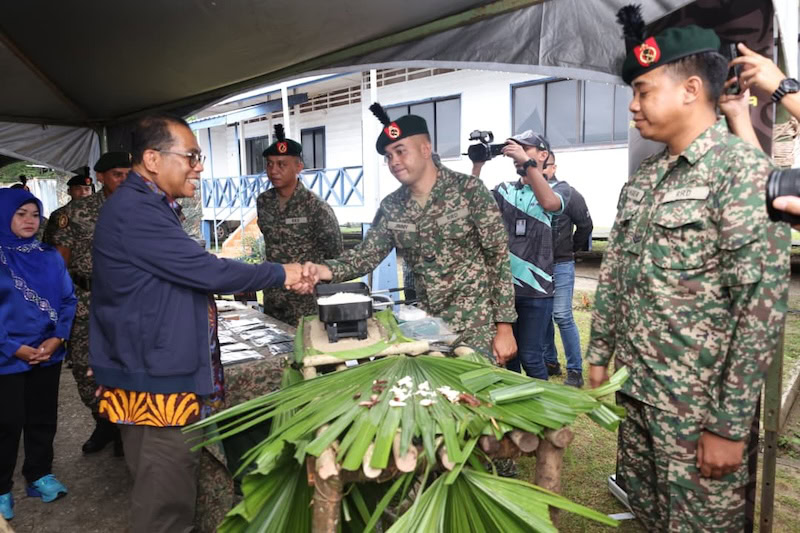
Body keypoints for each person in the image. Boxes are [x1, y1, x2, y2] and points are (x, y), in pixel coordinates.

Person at [587, 7, 789, 531]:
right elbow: (616, 275)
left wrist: (728, 426)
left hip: (698, 411)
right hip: (639, 394)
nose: (633, 106)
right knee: (651, 517)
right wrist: (600, 354)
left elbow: (759, 311)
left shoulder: (741, 172)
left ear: (691, 89)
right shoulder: (645, 178)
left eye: (643, 91)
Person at [89, 114, 305, 533]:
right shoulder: (136, 210)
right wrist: (284, 272)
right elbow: (206, 271)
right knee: (164, 506)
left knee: (173, 489)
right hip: (154, 386)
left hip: (157, 371)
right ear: (152, 159)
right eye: (190, 156)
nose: (199, 167)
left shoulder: (149, 204)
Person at [301, 103, 518, 361]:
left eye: (400, 151)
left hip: (476, 327)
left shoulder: (470, 191)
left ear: (426, 149)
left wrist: (505, 327)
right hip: (428, 328)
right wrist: (321, 270)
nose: (394, 161)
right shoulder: (392, 206)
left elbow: (497, 258)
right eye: (388, 156)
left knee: (478, 386)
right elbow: (365, 256)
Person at [0, 189, 77, 520]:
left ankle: (39, 474)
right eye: (21, 214)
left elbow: (68, 300)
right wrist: (13, 347)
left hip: (47, 353)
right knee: (7, 422)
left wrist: (57, 339)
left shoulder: (49, 256)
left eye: (35, 214)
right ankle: (1, 489)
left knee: (42, 417)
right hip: (6, 355)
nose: (30, 221)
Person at [48, 151, 131, 456]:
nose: (124, 181)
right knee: (85, 367)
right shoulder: (76, 212)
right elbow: (59, 264)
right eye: (117, 175)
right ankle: (104, 421)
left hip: (131, 300)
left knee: (129, 363)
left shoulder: (147, 207)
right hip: (86, 301)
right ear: (100, 177)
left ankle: (125, 427)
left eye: (129, 175)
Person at [470, 131, 563, 378]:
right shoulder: (504, 190)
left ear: (543, 155)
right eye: (515, 149)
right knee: (506, 357)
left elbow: (550, 204)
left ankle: (539, 401)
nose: (516, 153)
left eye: (525, 148)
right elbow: (472, 205)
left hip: (537, 292)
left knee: (531, 356)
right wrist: (477, 166)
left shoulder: (557, 190)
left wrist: (527, 162)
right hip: (504, 292)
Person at [256, 123, 343, 326]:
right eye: (269, 164)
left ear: (298, 167)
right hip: (273, 298)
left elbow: (335, 256)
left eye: (282, 164)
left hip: (306, 303)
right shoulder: (264, 202)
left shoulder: (316, 207)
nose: (273, 170)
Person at [541, 152, 593, 387]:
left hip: (561, 264)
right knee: (542, 316)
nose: (541, 171)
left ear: (554, 168)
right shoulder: (529, 193)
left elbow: (585, 226)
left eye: (545, 167)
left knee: (562, 315)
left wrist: (571, 248)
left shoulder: (569, 194)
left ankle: (575, 371)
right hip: (537, 266)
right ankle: (550, 362)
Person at [41, 172, 94, 245]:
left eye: (87, 189)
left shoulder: (99, 212)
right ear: (69, 191)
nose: (83, 193)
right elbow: (49, 243)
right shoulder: (59, 215)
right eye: (77, 188)